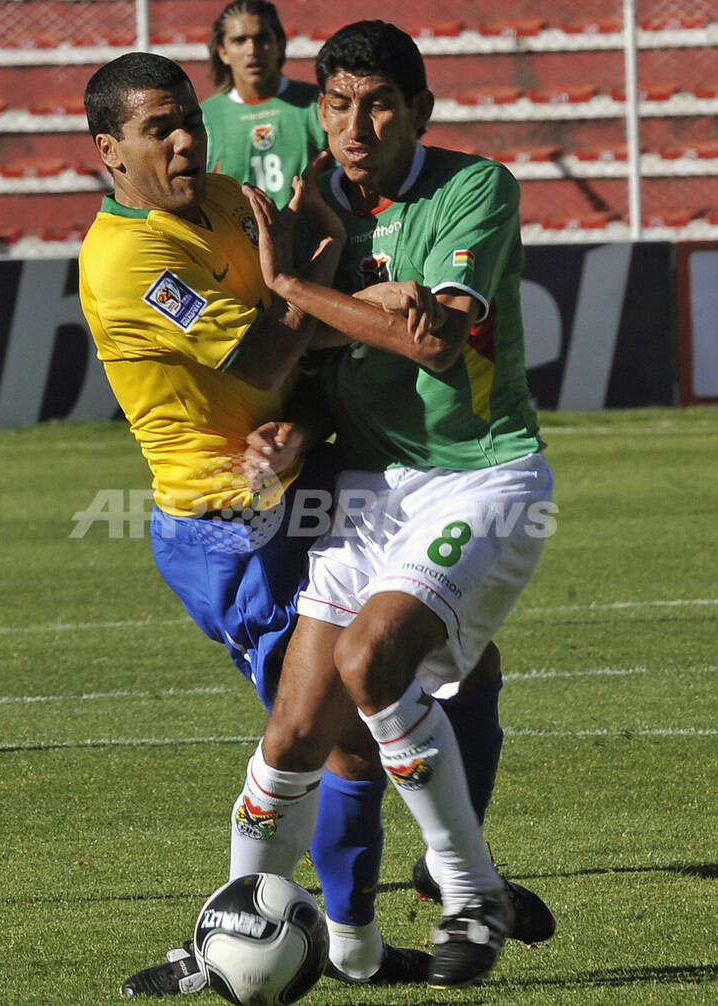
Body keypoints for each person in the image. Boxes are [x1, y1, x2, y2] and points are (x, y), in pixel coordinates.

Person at [78, 50, 442, 998]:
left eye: (187, 118)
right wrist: (330, 294)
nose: (185, 139)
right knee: (319, 731)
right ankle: (229, 945)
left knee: (368, 712)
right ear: (109, 151)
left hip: (303, 483)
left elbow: (303, 315)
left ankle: (352, 943)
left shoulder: (233, 196)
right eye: (158, 128)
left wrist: (316, 252)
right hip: (225, 527)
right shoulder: (127, 260)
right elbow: (266, 354)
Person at [224, 20, 556, 991]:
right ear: (316, 110)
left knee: (374, 661)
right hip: (368, 482)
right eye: (336, 104)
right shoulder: (317, 199)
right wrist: (301, 402)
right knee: (298, 727)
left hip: (483, 473)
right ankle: (231, 927)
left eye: (377, 103)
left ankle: (469, 892)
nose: (355, 123)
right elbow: (310, 348)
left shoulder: (474, 188)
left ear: (420, 110)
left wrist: (299, 288)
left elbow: (438, 344)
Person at [202, 0, 325, 209]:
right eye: (239, 41)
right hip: (236, 240)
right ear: (223, 52)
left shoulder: (316, 103)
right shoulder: (204, 117)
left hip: (307, 239)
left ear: (280, 44)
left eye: (262, 38)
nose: (252, 50)